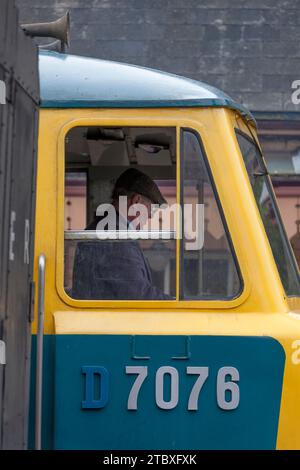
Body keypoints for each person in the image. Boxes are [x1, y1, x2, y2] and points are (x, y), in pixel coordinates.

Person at [72, 168, 172, 300]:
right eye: (151, 210)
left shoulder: (107, 228)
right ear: (136, 202)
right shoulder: (116, 238)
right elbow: (138, 295)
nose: (149, 217)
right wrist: (177, 304)